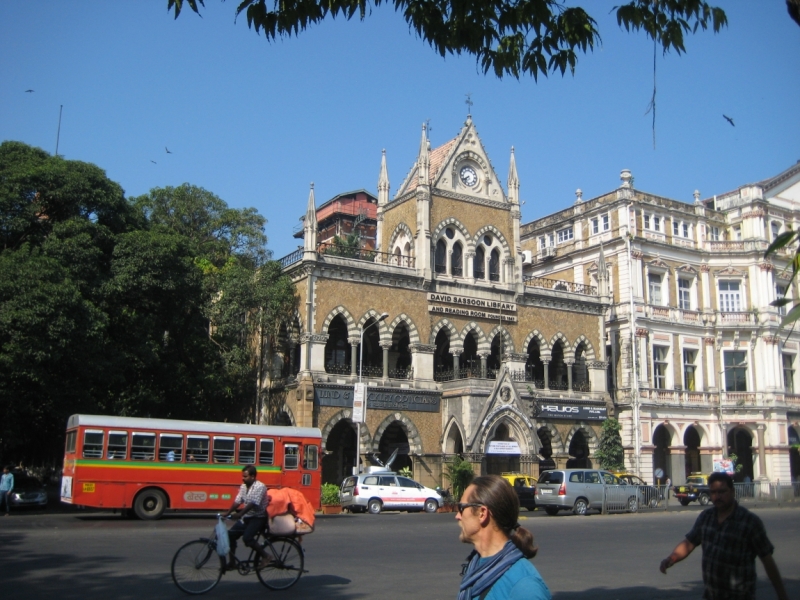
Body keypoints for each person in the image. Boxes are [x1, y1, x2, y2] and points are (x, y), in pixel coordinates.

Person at [659, 471, 788, 600]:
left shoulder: (749, 522)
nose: (717, 496)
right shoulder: (706, 518)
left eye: (722, 492)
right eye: (713, 492)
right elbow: (689, 543)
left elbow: (767, 560)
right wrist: (672, 558)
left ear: (732, 492)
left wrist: (782, 595)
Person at [456, 475, 551, 600]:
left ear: (482, 513)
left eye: (461, 508)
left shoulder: (524, 587)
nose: (457, 516)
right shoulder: (475, 566)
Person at [224, 465, 271, 570]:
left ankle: (266, 556)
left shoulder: (260, 487)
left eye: (245, 476)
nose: (243, 478)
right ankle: (232, 562)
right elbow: (238, 501)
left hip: (258, 518)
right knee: (230, 535)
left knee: (247, 538)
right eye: (242, 476)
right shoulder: (243, 486)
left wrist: (240, 514)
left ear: (253, 477)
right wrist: (227, 513)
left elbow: (253, 503)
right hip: (247, 517)